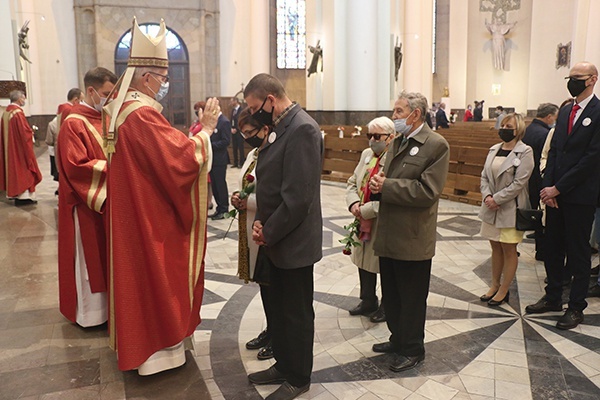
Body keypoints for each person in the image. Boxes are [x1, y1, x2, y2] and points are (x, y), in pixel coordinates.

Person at [103, 17, 221, 374]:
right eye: (162, 78)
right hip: (150, 214)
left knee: (139, 278)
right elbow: (180, 161)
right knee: (158, 274)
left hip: (135, 208)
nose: (165, 85)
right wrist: (208, 131)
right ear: (144, 77)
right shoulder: (139, 116)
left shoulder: (123, 112)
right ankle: (157, 353)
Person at [244, 73, 322, 400]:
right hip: (277, 237)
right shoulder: (281, 126)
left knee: (296, 313)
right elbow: (271, 184)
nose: (253, 114)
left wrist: (268, 230)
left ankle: (298, 377)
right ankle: (284, 364)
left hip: (293, 241)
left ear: (270, 100)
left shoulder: (302, 128)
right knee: (279, 307)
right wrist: (262, 222)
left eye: (254, 107)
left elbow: (298, 198)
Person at [369, 91, 449, 373]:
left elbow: (428, 191)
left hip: (413, 237)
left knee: (412, 297)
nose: (394, 117)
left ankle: (412, 348)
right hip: (390, 231)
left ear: (416, 114)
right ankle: (397, 338)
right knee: (391, 293)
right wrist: (380, 182)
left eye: (399, 112)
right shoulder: (399, 141)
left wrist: (387, 186)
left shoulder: (436, 145)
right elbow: (389, 177)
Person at [526, 61, 600, 330]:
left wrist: (560, 187)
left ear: (592, 79)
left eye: (577, 77)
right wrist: (548, 188)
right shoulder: (567, 110)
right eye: (570, 77)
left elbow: (591, 159)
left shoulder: (598, 111)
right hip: (555, 195)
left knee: (578, 252)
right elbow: (554, 151)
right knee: (552, 248)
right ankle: (553, 296)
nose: (572, 81)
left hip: (580, 196)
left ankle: (576, 306)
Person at [55, 67, 118, 328]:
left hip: (106, 202)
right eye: (105, 93)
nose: (109, 98)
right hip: (86, 203)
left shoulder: (102, 119)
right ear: (90, 91)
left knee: (106, 257)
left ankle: (109, 311)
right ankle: (91, 316)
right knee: (88, 262)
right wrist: (117, 172)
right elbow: (75, 166)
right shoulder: (73, 123)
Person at [478, 113, 534, 306]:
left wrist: (497, 199)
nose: (504, 129)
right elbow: (484, 176)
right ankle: (494, 285)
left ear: (517, 129)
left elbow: (519, 183)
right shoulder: (494, 149)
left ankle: (504, 289)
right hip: (491, 207)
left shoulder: (525, 151)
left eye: (508, 126)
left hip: (511, 207)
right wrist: (487, 196)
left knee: (509, 248)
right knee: (495, 246)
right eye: (502, 125)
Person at [231, 108, 273, 360]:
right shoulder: (254, 154)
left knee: (272, 284)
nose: (246, 137)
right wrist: (238, 197)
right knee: (263, 284)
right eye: (243, 133)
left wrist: (251, 203)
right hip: (249, 226)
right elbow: (245, 184)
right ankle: (271, 329)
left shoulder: (272, 155)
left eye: (250, 132)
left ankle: (278, 335)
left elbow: (273, 194)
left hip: (266, 226)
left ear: (264, 129)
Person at [345, 117, 395, 324]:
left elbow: (390, 196)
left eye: (377, 136)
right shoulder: (367, 154)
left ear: (390, 138)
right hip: (362, 216)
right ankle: (367, 299)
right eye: (369, 136)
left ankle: (387, 306)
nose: (372, 141)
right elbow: (352, 182)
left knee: (381, 264)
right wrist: (353, 203)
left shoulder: (393, 159)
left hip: (381, 220)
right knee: (362, 259)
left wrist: (366, 210)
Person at [522, 103, 559, 259]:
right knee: (543, 216)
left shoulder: (528, 129)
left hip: (528, 177)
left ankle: (539, 248)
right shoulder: (544, 133)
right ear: (549, 116)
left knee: (535, 213)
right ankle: (543, 251)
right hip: (539, 178)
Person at [0, 90, 42, 205]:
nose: (24, 101)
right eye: (23, 98)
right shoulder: (18, 113)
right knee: (23, 169)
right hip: (19, 150)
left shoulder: (6, 113)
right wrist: (31, 132)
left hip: (10, 149)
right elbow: (24, 133)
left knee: (13, 169)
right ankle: (23, 197)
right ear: (19, 99)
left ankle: (14, 193)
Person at [208, 104, 232, 220]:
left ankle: (224, 208)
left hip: (220, 159)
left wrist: (210, 145)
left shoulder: (224, 122)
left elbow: (226, 141)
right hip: (212, 159)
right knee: (214, 185)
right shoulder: (215, 121)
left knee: (220, 184)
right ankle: (219, 208)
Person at [44, 115, 59, 193]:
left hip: (55, 152)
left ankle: (60, 187)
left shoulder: (53, 123)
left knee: (57, 170)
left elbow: (49, 141)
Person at [230, 96, 245, 168]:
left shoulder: (241, 110)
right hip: (233, 132)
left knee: (240, 147)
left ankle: (241, 162)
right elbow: (232, 120)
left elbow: (241, 121)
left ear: (236, 101)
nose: (231, 103)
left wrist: (237, 128)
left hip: (239, 132)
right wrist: (231, 128)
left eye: (232, 101)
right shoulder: (233, 111)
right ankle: (235, 162)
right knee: (234, 147)